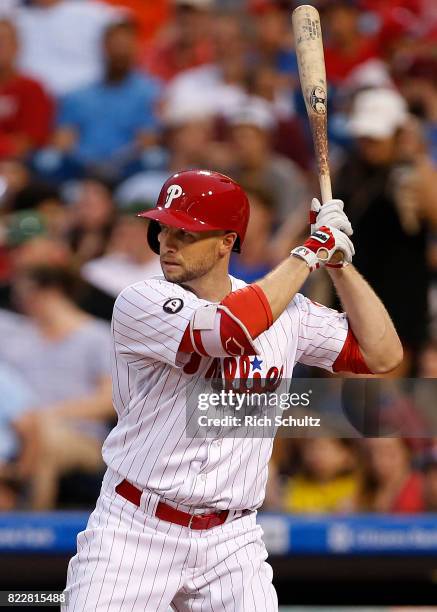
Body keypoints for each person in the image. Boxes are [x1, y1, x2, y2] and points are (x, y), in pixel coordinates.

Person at [63, 169, 402, 610]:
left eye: (186, 233)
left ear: (227, 241)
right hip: (134, 528)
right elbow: (227, 331)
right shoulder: (140, 301)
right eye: (164, 228)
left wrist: (340, 264)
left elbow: (382, 355)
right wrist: (309, 252)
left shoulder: (288, 311)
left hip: (231, 537)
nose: (168, 241)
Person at [0, 264, 113, 509]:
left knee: (44, 438)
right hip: (20, 429)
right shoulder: (15, 333)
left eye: (25, 293)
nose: (20, 301)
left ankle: (33, 529)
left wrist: (50, 414)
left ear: (51, 292)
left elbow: (110, 400)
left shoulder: (97, 336)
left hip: (80, 436)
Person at [49, 19, 161, 182]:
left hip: (128, 170)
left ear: (135, 48)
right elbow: (63, 139)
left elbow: (147, 140)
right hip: (83, 171)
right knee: (49, 162)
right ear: (103, 47)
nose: (119, 53)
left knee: (154, 160)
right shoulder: (79, 95)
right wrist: (86, 162)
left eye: (125, 46)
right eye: (115, 45)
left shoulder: (149, 92)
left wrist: (114, 164)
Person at [15, 0, 123, 96]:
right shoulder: (15, 16)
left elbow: (123, 34)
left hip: (86, 98)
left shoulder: (93, 13)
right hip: (30, 99)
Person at [0, 19, 53, 159]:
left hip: (17, 164)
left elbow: (29, 141)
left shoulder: (31, 88)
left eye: (4, 41)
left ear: (17, 46)